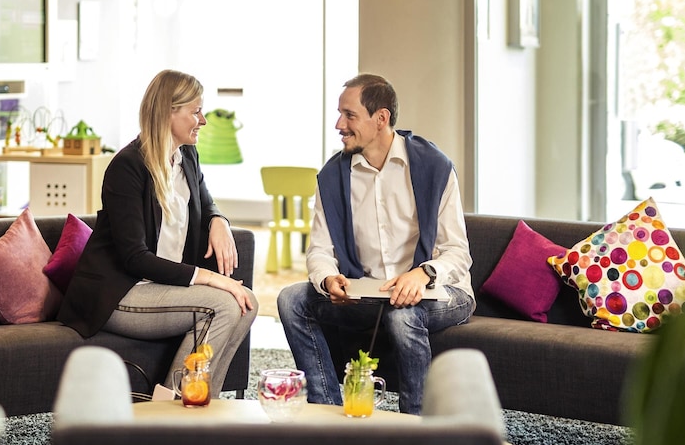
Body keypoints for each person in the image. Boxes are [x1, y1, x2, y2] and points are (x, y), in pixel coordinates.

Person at [277, 74, 475, 415]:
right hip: (369, 294)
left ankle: (416, 426)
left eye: (349, 115)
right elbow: (320, 249)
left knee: (403, 315)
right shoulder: (332, 177)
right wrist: (327, 278)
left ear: (381, 118)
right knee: (292, 300)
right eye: (340, 114)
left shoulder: (434, 167)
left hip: (440, 292)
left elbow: (457, 252)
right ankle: (327, 414)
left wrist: (422, 275)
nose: (339, 125)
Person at [58, 69, 257, 397]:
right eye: (196, 111)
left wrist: (219, 220)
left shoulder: (186, 156)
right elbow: (134, 258)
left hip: (162, 287)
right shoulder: (127, 167)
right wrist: (211, 278)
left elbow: (206, 200)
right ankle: (170, 407)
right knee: (221, 303)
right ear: (169, 112)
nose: (203, 120)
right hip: (121, 292)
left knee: (247, 302)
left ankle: (203, 402)